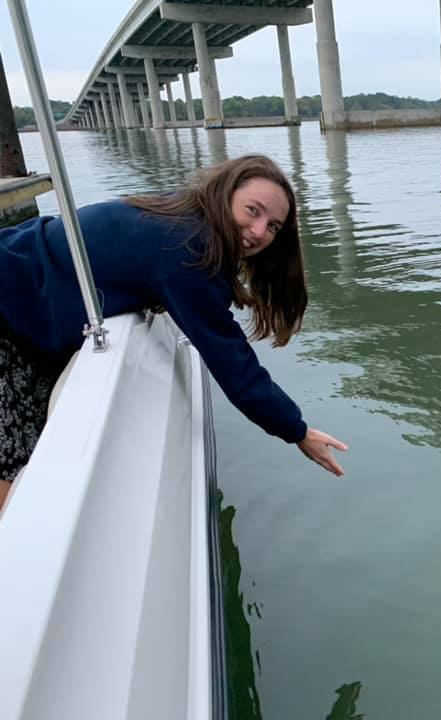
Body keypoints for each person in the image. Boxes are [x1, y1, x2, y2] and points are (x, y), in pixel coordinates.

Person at [0, 154, 347, 512]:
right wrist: (298, 431)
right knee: (9, 464)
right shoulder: (187, 248)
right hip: (8, 300)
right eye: (253, 210)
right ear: (225, 194)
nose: (259, 231)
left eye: (274, 226)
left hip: (20, 277)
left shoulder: (183, 215)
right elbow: (234, 366)